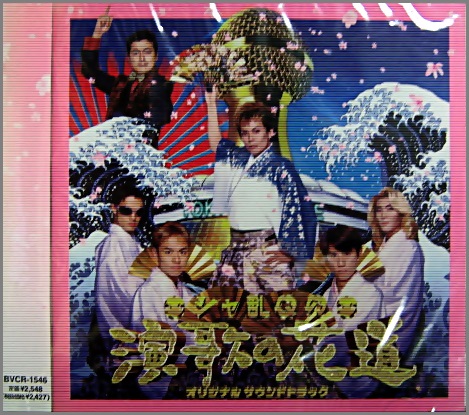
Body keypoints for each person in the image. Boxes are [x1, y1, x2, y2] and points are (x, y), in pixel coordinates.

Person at [204, 87, 317, 294]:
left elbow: (301, 208)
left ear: (270, 132)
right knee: (230, 308)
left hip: (267, 249)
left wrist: (291, 252)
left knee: (273, 309)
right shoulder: (238, 159)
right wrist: (211, 104)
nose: (250, 138)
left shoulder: (282, 167)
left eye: (256, 131)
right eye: (245, 133)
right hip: (235, 248)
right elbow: (216, 144)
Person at [81, 8, 173, 148]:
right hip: (110, 152)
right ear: (129, 58)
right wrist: (97, 34)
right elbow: (89, 71)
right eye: (136, 53)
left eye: (147, 52)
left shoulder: (161, 86)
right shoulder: (120, 85)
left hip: (140, 154)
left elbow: (159, 115)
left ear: (156, 57)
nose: (141, 58)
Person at [130, 222, 202, 399]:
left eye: (182, 252)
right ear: (155, 254)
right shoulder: (149, 291)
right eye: (168, 252)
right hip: (161, 374)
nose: (176, 260)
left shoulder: (185, 292)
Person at [367, 187, 425, 359]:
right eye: (379, 210)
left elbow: (396, 296)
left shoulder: (407, 247)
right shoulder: (385, 246)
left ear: (401, 213)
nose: (383, 215)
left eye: (390, 209)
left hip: (392, 330)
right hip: (375, 322)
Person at [93, 185, 146, 353]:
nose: (133, 218)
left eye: (139, 212)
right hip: (126, 330)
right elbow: (117, 295)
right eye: (126, 211)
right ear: (114, 208)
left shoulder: (129, 242)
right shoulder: (113, 245)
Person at [319, 225, 385, 331]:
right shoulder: (326, 295)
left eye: (347, 254)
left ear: (359, 254)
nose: (341, 263)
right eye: (333, 255)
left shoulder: (370, 294)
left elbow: (351, 334)